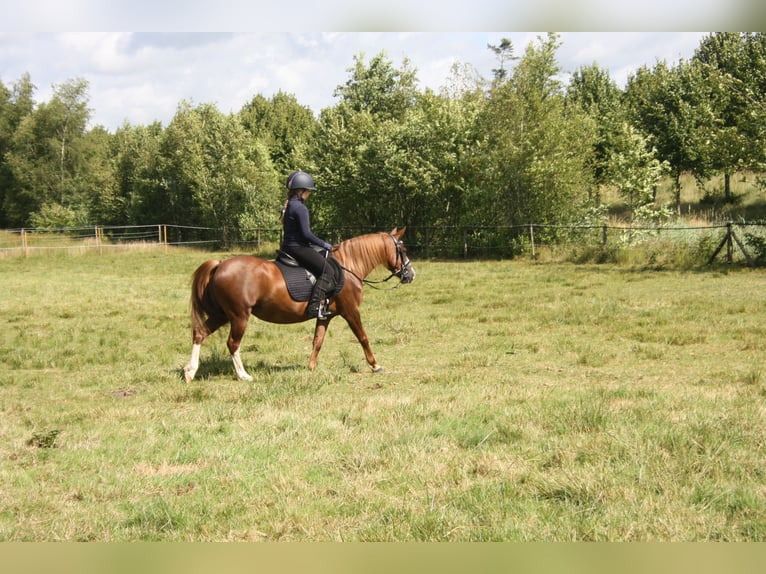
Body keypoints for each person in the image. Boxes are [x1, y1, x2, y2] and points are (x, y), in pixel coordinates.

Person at [280, 170, 335, 319]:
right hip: (298, 247)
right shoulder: (300, 208)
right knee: (328, 271)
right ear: (302, 191)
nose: (309, 194)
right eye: (308, 191)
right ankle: (315, 306)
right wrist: (325, 245)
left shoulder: (290, 204)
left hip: (288, 246)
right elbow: (306, 235)